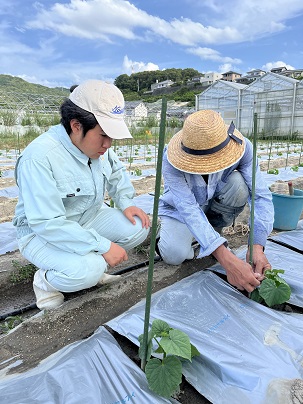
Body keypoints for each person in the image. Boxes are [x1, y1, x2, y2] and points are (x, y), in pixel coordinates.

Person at [13, 79, 150, 310]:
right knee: (89, 268)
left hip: (88, 217)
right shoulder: (40, 158)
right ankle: (45, 282)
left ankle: (93, 266)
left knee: (138, 226)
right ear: (76, 126)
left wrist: (125, 202)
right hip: (42, 233)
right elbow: (48, 223)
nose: (109, 144)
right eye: (104, 135)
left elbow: (116, 171)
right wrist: (103, 246)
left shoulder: (98, 147)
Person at [157, 109, 274, 293]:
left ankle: (212, 233)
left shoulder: (244, 148)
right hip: (181, 208)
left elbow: (260, 195)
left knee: (239, 186)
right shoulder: (170, 160)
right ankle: (167, 235)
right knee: (174, 255)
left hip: (214, 199)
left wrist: (257, 246)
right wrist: (226, 259)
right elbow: (188, 208)